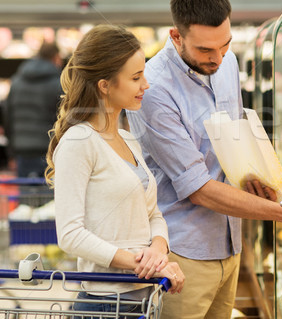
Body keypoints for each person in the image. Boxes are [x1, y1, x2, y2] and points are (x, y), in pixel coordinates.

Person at [126, 0, 282, 319]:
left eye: (225, 45)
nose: (218, 58)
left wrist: (264, 180)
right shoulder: (155, 89)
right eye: (206, 49)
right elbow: (198, 189)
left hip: (230, 244)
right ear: (176, 37)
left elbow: (236, 143)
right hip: (182, 255)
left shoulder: (227, 64)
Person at [45, 24, 184, 318]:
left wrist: (159, 250)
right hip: (104, 302)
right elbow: (69, 234)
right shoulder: (78, 142)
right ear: (105, 85)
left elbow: (153, 214)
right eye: (136, 77)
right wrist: (139, 262)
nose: (146, 84)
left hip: (143, 296)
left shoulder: (129, 139)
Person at [3, 41, 63, 177]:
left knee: (26, 195)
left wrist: (11, 152)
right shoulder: (57, 83)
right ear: (55, 57)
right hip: (49, 151)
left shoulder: (16, 82)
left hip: (22, 151)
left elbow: (7, 117)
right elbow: (63, 118)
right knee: (50, 196)